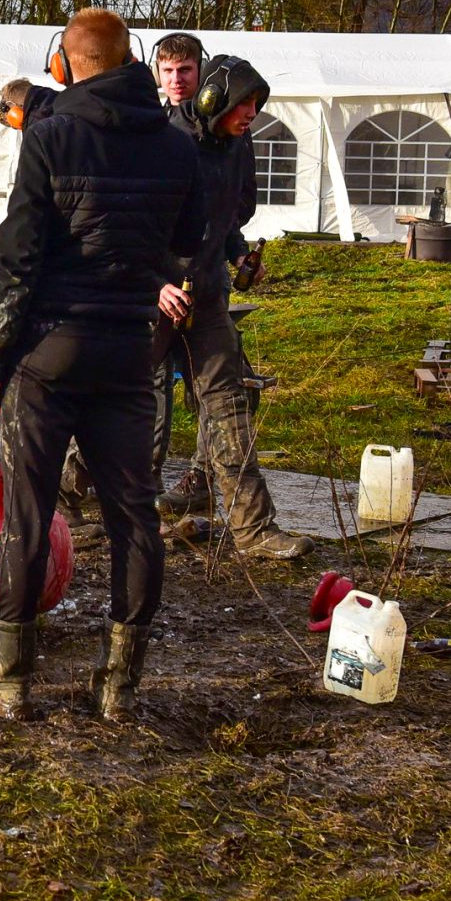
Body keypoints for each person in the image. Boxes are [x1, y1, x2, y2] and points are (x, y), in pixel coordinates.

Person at [0, 8, 205, 723]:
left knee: (28, 515)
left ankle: (9, 679)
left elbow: (16, 261)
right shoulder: (176, 144)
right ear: (131, 61)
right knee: (135, 517)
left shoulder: (50, 136)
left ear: (64, 65)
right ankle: (119, 686)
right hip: (128, 349)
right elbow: (189, 239)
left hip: (50, 352)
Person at [152, 54, 308, 560]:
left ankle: (254, 529)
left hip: (205, 293)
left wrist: (238, 253)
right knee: (115, 403)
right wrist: (155, 284)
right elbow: (128, 226)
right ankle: (69, 503)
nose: (252, 114)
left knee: (228, 404)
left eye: (257, 104)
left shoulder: (237, 145)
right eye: (245, 104)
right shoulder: (163, 143)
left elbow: (224, 216)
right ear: (214, 99)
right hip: (150, 298)